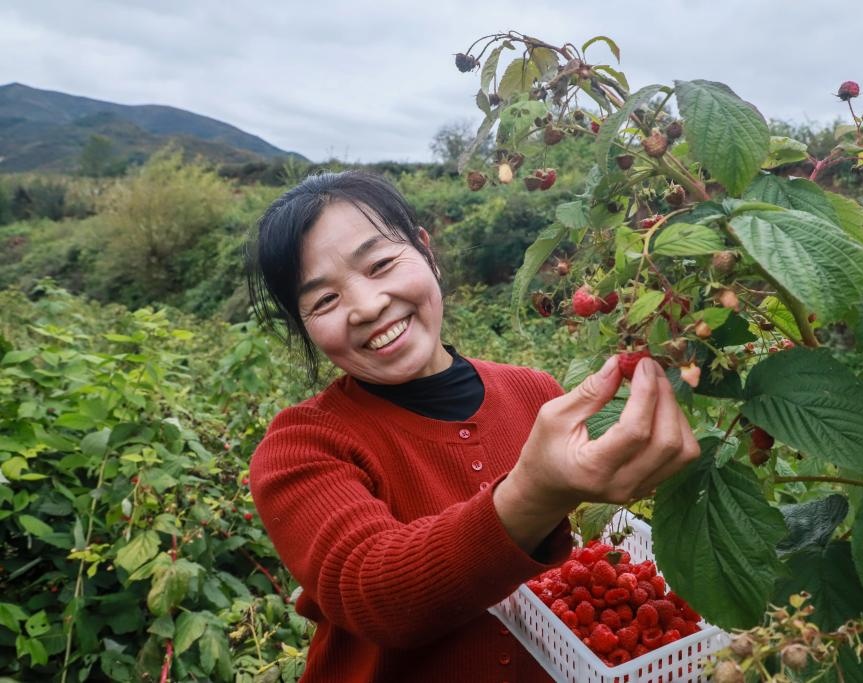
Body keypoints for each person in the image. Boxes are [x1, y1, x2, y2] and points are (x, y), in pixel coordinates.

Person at [246, 170, 700, 682]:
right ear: (301, 324)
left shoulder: (536, 393)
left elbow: (577, 562)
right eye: (324, 300)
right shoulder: (301, 446)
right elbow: (374, 595)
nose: (367, 307)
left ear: (427, 251)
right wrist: (536, 493)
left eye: (380, 264)